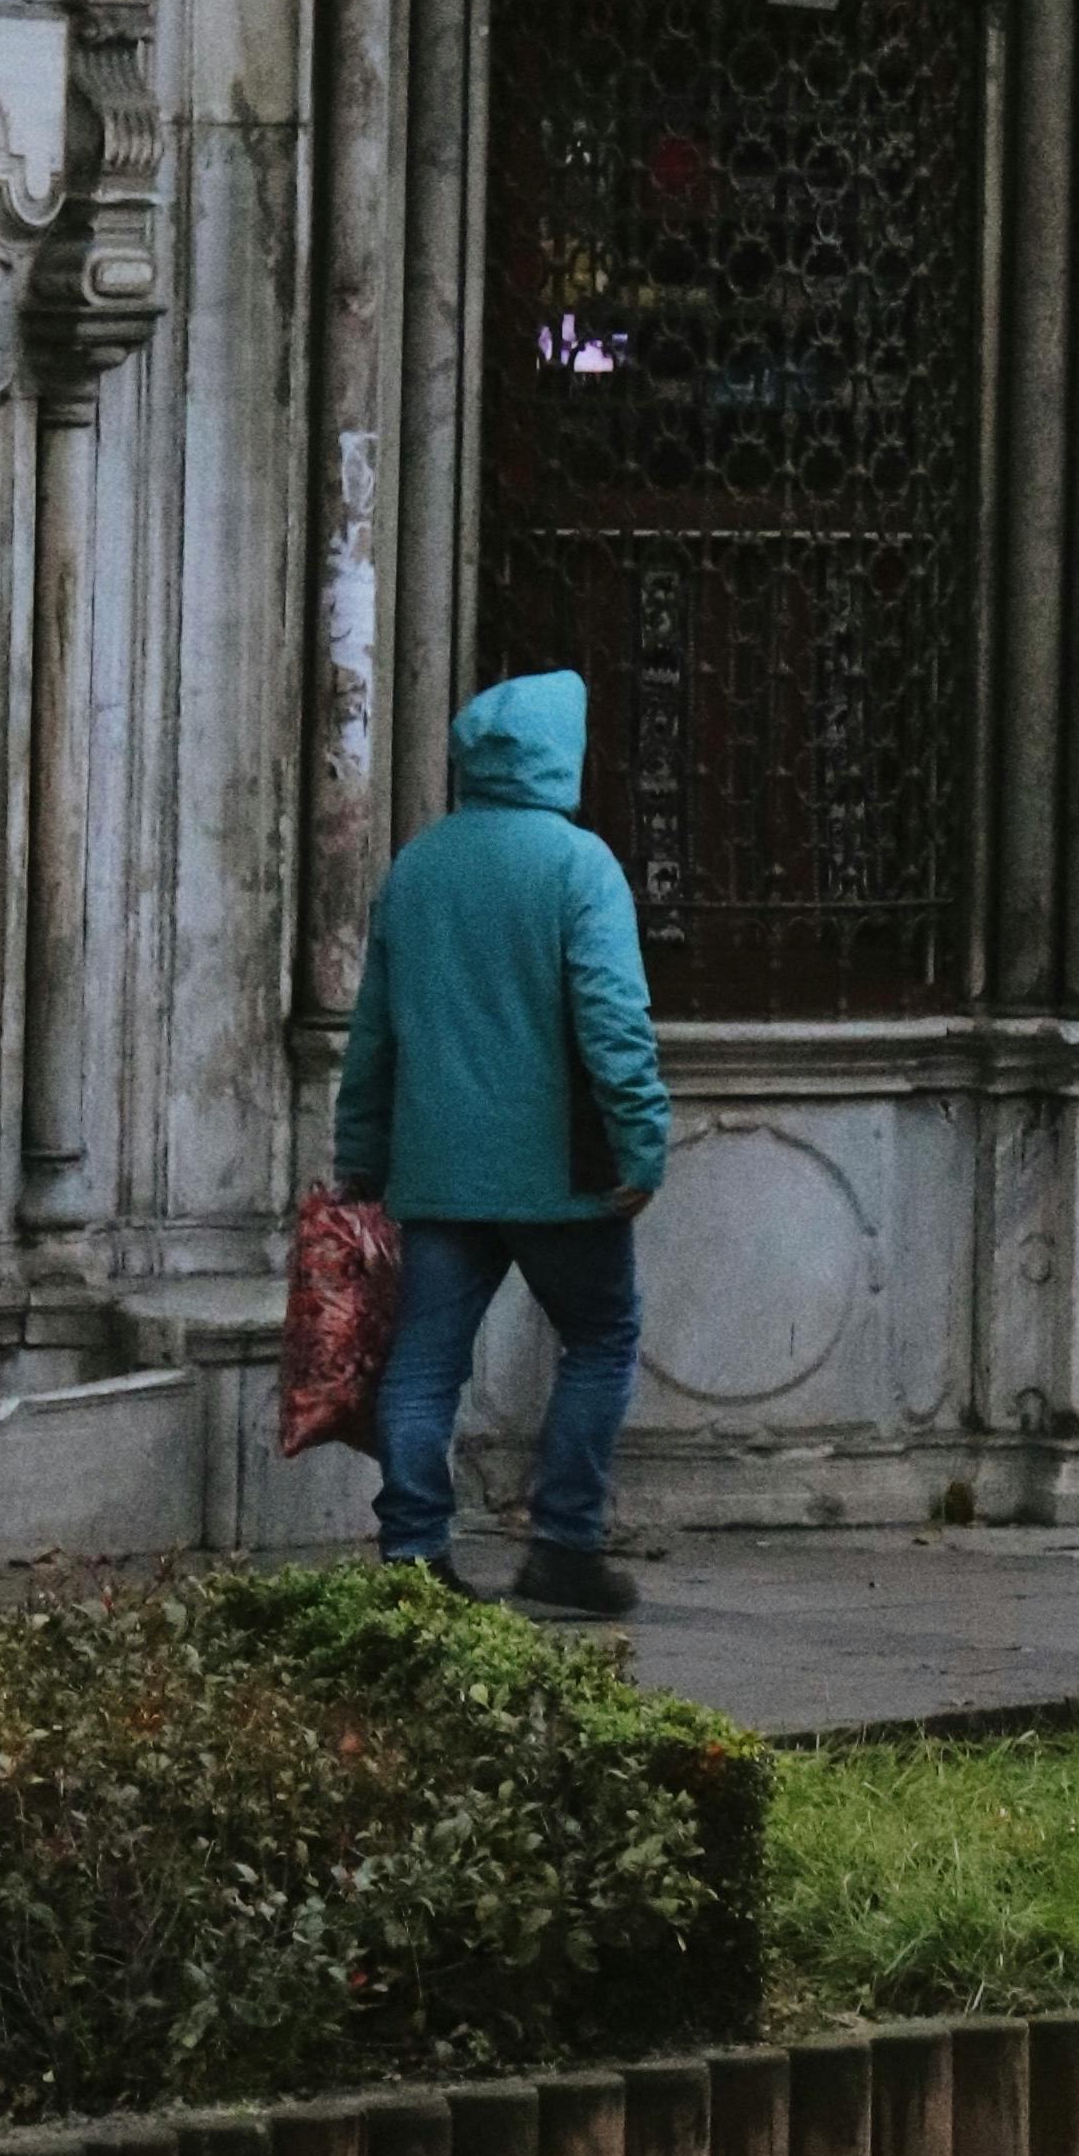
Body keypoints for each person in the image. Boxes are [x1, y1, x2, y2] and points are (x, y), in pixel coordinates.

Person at [331, 668, 671, 1615]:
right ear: (562, 756)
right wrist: (642, 1144)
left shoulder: (418, 867)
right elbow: (614, 1023)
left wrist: (359, 1155)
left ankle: (411, 1557)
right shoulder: (578, 865)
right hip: (563, 1175)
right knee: (601, 1339)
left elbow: (374, 1035)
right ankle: (563, 1544)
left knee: (424, 1365)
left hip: (437, 1170)